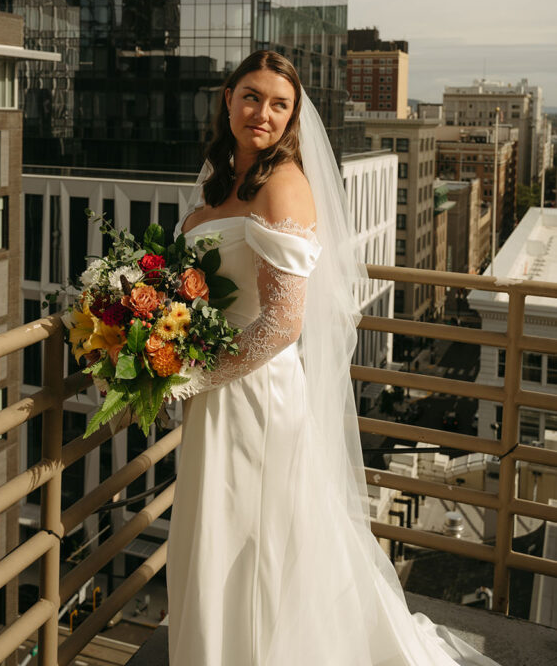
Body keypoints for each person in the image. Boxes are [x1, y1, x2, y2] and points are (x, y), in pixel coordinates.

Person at [166, 50, 501, 666]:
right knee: (216, 533)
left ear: (293, 116)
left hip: (255, 397)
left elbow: (282, 324)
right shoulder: (220, 175)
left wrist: (191, 375)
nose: (260, 112)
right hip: (216, 391)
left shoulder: (284, 186)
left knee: (253, 541)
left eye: (278, 104)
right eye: (250, 96)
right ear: (227, 98)